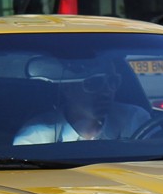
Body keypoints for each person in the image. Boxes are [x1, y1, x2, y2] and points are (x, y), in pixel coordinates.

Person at [13, 62, 150, 144]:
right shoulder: (37, 136)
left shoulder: (134, 119)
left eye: (112, 81)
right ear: (68, 88)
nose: (106, 91)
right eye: (94, 83)